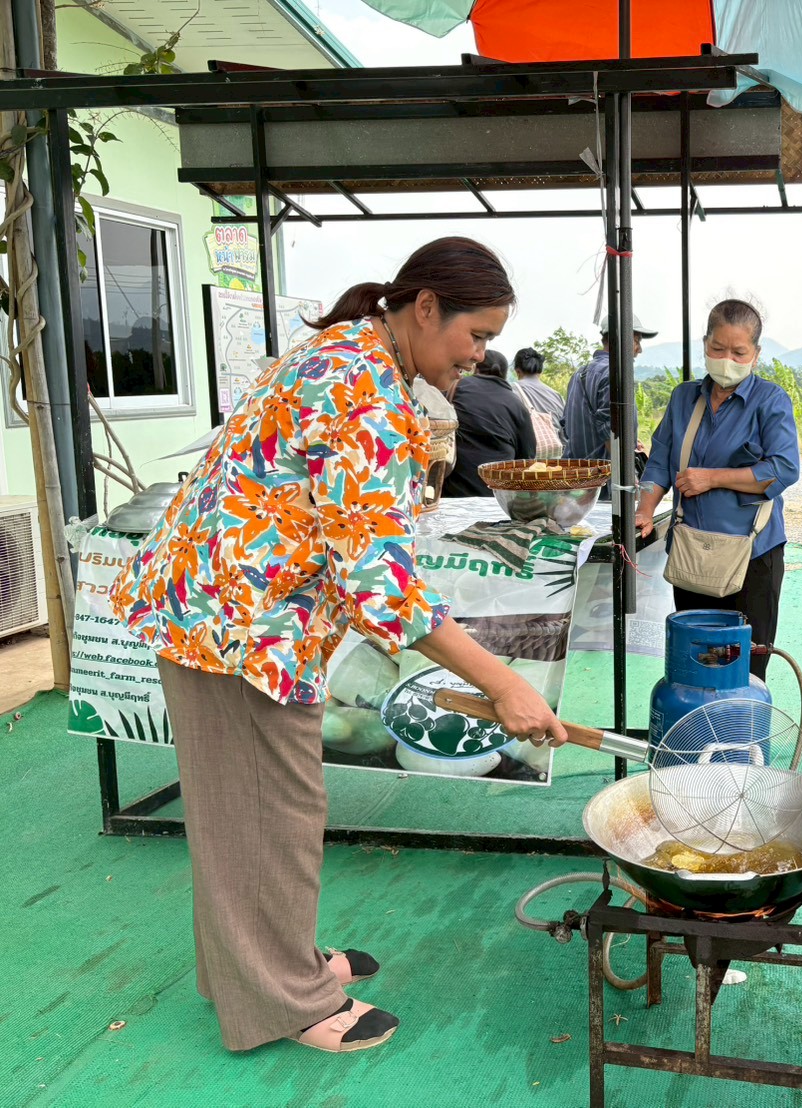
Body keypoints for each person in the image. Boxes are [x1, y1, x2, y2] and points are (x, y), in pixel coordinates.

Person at [109, 236, 567, 1056]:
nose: (481, 353)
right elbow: (380, 585)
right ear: (425, 308)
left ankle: (270, 963)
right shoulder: (363, 388)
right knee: (266, 815)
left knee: (254, 812)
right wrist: (504, 684)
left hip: (226, 609)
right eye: (476, 334)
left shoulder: (351, 349)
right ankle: (284, 999)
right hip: (240, 627)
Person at [634, 299, 799, 680]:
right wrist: (645, 509)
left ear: (755, 354)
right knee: (695, 664)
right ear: (705, 344)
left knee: (745, 670)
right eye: (718, 349)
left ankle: (743, 737)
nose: (727, 359)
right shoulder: (683, 398)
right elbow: (660, 461)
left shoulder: (770, 401)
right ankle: (694, 738)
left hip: (752, 558)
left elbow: (785, 469)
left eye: (739, 352)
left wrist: (712, 477)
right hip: (693, 553)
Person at [563, 313, 658, 461]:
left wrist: (630, 442)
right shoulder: (614, 374)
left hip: (579, 476)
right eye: (636, 341)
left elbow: (567, 426)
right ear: (622, 338)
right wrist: (628, 472)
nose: (639, 349)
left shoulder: (579, 374)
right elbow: (613, 437)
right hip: (604, 479)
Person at [443, 348, 536, 497]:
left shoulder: (453, 389)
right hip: (498, 497)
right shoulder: (516, 404)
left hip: (451, 494)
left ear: (476, 368)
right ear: (505, 374)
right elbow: (527, 457)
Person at [512, 347, 566, 432]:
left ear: (517, 371)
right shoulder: (556, 395)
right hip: (556, 444)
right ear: (540, 372)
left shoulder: (510, 392)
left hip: (524, 445)